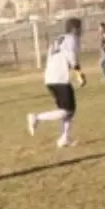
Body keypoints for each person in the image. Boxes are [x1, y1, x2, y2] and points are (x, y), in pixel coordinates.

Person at [27, 18, 86, 148]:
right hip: (60, 77)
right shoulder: (72, 39)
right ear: (75, 29)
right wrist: (79, 74)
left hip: (50, 77)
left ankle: (64, 138)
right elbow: (72, 57)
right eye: (80, 27)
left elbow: (51, 57)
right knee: (67, 110)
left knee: (69, 110)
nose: (82, 30)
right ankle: (37, 118)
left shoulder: (59, 39)